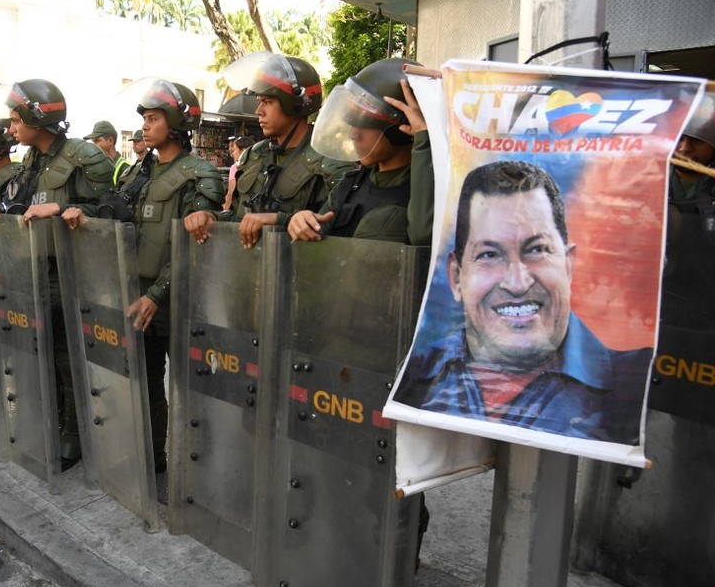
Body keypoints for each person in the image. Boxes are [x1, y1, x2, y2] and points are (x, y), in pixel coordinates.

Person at [397, 160, 652, 444]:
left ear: (568, 266)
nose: (517, 283)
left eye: (537, 249)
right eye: (489, 255)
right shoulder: (416, 374)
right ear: (456, 276)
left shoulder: (639, 386)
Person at [59, 79, 225, 478]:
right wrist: (88, 217)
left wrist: (157, 294)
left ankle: (200, 470)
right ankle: (154, 461)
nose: (145, 127)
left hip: (179, 301)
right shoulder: (137, 172)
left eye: (153, 119)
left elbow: (195, 247)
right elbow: (120, 220)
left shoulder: (200, 175)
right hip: (138, 296)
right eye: (144, 119)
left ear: (177, 123)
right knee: (146, 384)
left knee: (193, 389)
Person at [0, 78, 114, 468]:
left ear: (36, 117)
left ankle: (76, 433)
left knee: (67, 357)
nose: (11, 129)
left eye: (16, 120)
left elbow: (113, 212)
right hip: (33, 270)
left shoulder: (85, 156)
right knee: (40, 354)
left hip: (72, 274)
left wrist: (63, 209)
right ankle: (51, 423)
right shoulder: (31, 160)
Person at [184, 52, 353, 249]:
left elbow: (334, 234)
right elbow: (238, 216)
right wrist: (211, 217)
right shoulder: (254, 156)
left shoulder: (330, 161)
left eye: (268, 102)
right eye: (259, 102)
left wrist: (280, 220)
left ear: (296, 104)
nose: (259, 111)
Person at [287, 58, 434, 245]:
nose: (354, 135)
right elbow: (317, 247)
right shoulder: (349, 186)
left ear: (401, 128)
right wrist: (301, 221)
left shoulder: (431, 190)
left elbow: (422, 238)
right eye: (352, 122)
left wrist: (424, 139)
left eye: (365, 124)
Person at [663, 92, 715, 328]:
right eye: (679, 138)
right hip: (662, 304)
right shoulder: (650, 178)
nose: (684, 148)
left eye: (696, 140)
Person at [84, 119, 130, 185]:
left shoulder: (126, 168)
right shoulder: (98, 166)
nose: (94, 145)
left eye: (97, 141)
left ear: (110, 140)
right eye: (93, 142)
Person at [222, 135, 255, 212]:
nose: (232, 151)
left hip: (239, 209)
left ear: (243, 150)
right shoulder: (257, 165)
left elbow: (231, 194)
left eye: (234, 148)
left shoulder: (236, 167)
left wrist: (225, 210)